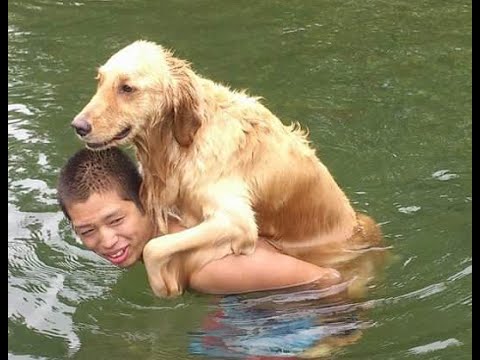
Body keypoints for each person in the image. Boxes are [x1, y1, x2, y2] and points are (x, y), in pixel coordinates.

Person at [56, 147, 344, 296]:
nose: (106, 240)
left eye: (116, 220)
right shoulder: (169, 209)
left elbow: (327, 280)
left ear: (145, 196)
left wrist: (332, 340)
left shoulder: (206, 269)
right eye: (87, 231)